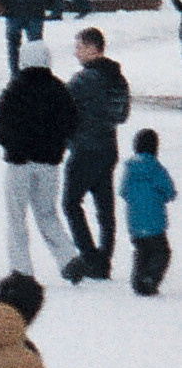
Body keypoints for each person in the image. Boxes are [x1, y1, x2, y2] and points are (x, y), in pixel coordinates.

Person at [0, 47, 78, 283]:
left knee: (16, 217)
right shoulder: (59, 90)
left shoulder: (14, 90)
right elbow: (71, 123)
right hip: (49, 163)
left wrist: (15, 146)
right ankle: (68, 258)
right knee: (47, 213)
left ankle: (22, 269)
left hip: (19, 163)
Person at [62, 27, 129, 282]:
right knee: (105, 207)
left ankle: (91, 257)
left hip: (84, 149)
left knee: (70, 203)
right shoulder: (117, 78)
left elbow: (64, 109)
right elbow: (121, 115)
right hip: (108, 147)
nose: (75, 52)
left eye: (79, 47)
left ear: (92, 48)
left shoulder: (82, 80)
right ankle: (105, 257)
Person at [122, 126, 174, 294]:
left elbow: (123, 191)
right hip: (155, 223)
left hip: (135, 223)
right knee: (162, 253)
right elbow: (169, 191)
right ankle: (150, 278)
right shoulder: (156, 169)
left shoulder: (129, 170)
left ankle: (138, 280)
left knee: (141, 252)